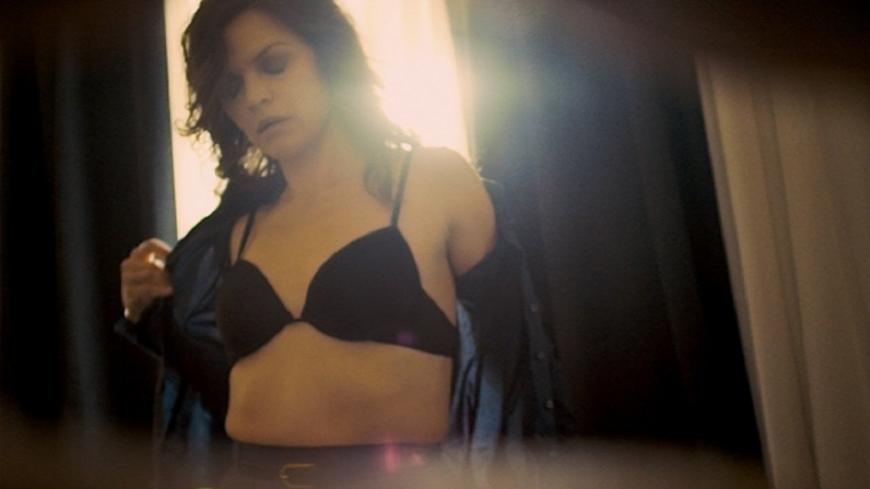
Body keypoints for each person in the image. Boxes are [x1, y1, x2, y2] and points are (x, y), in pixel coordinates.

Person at [117, 1, 575, 488]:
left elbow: (513, 364)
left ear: (329, 55)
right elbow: (212, 382)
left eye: (274, 64)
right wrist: (145, 305)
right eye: (232, 86)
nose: (254, 96)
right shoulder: (237, 227)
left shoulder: (434, 183)